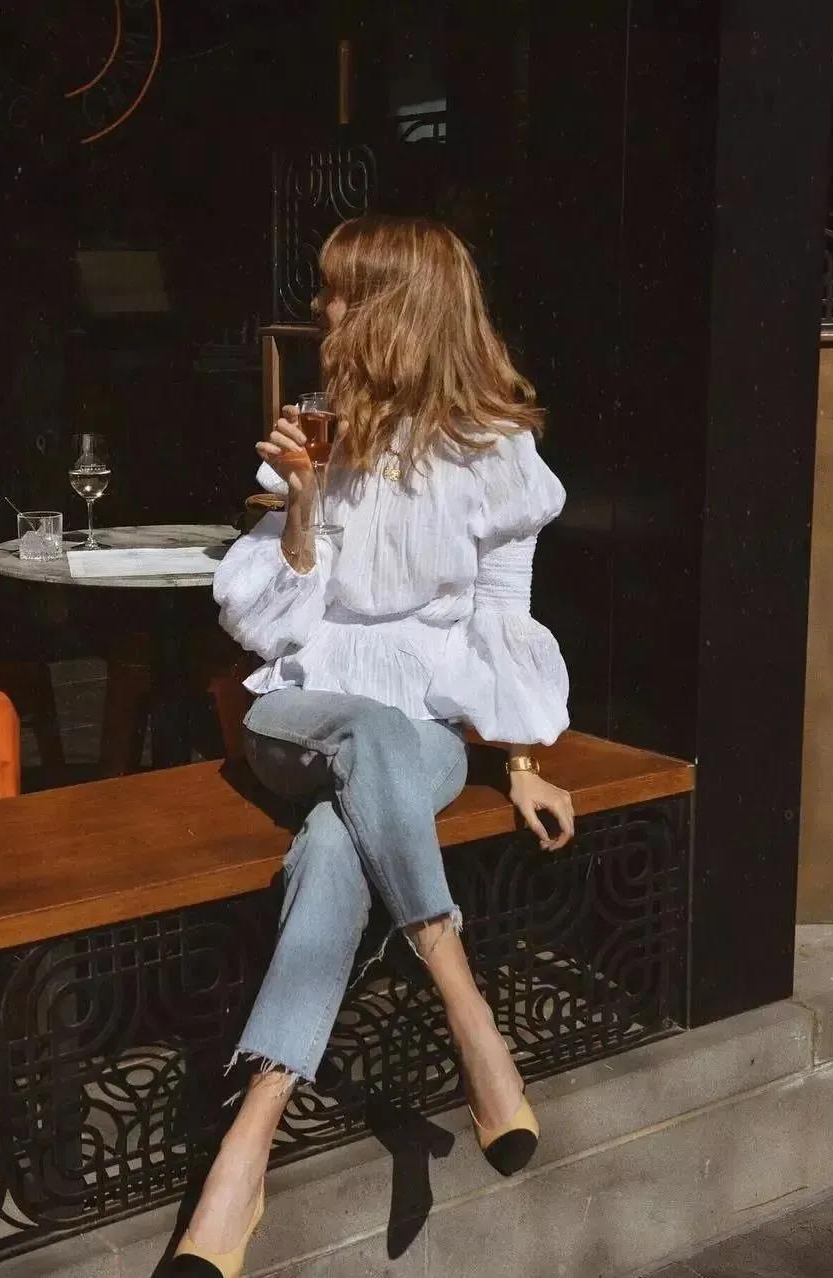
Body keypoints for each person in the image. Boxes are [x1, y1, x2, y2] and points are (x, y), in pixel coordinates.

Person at [165, 215, 574, 1277]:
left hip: (421, 733)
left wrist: (522, 761)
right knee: (365, 730)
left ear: (401, 309)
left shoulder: (496, 455)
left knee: (338, 845)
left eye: (343, 292)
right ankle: (463, 1000)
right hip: (300, 717)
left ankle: (246, 1147)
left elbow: (505, 613)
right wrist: (302, 508)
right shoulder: (319, 430)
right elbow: (261, 627)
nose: (324, 310)